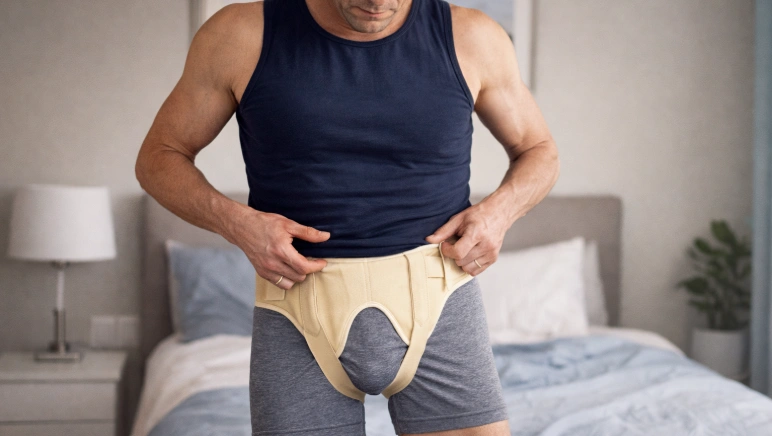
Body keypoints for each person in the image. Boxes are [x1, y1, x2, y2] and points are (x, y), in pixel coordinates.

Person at [135, 0, 559, 434]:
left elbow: (538, 150)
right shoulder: (240, 34)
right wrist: (237, 223)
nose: (378, 2)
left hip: (440, 309)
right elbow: (158, 158)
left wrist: (498, 213)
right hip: (298, 313)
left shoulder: (473, 37)